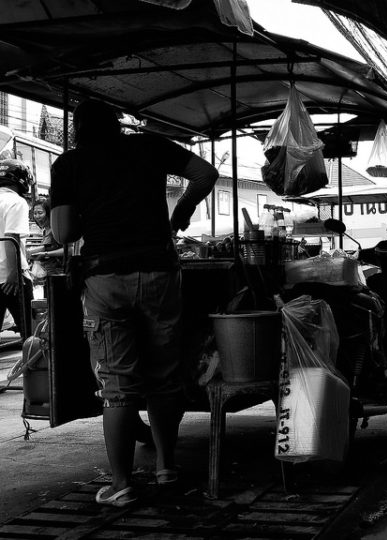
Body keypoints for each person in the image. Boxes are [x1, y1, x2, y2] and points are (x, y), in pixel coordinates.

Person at [50, 99, 218, 507]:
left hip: (105, 278)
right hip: (160, 272)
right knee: (163, 378)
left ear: (77, 129)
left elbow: (63, 232)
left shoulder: (68, 164)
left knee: (118, 387)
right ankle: (165, 467)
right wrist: (183, 208)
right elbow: (205, 173)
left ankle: (121, 483)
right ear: (117, 124)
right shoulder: (149, 145)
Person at [0, 159, 34, 335]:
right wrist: (14, 274)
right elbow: (10, 237)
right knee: (29, 331)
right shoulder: (16, 201)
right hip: (11, 278)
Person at [27, 197, 64, 289]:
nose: (37, 216)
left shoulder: (56, 230)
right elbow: (46, 247)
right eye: (35, 213)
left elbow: (70, 249)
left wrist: (46, 254)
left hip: (58, 274)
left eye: (40, 213)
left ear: (48, 213)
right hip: (48, 274)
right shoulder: (45, 230)